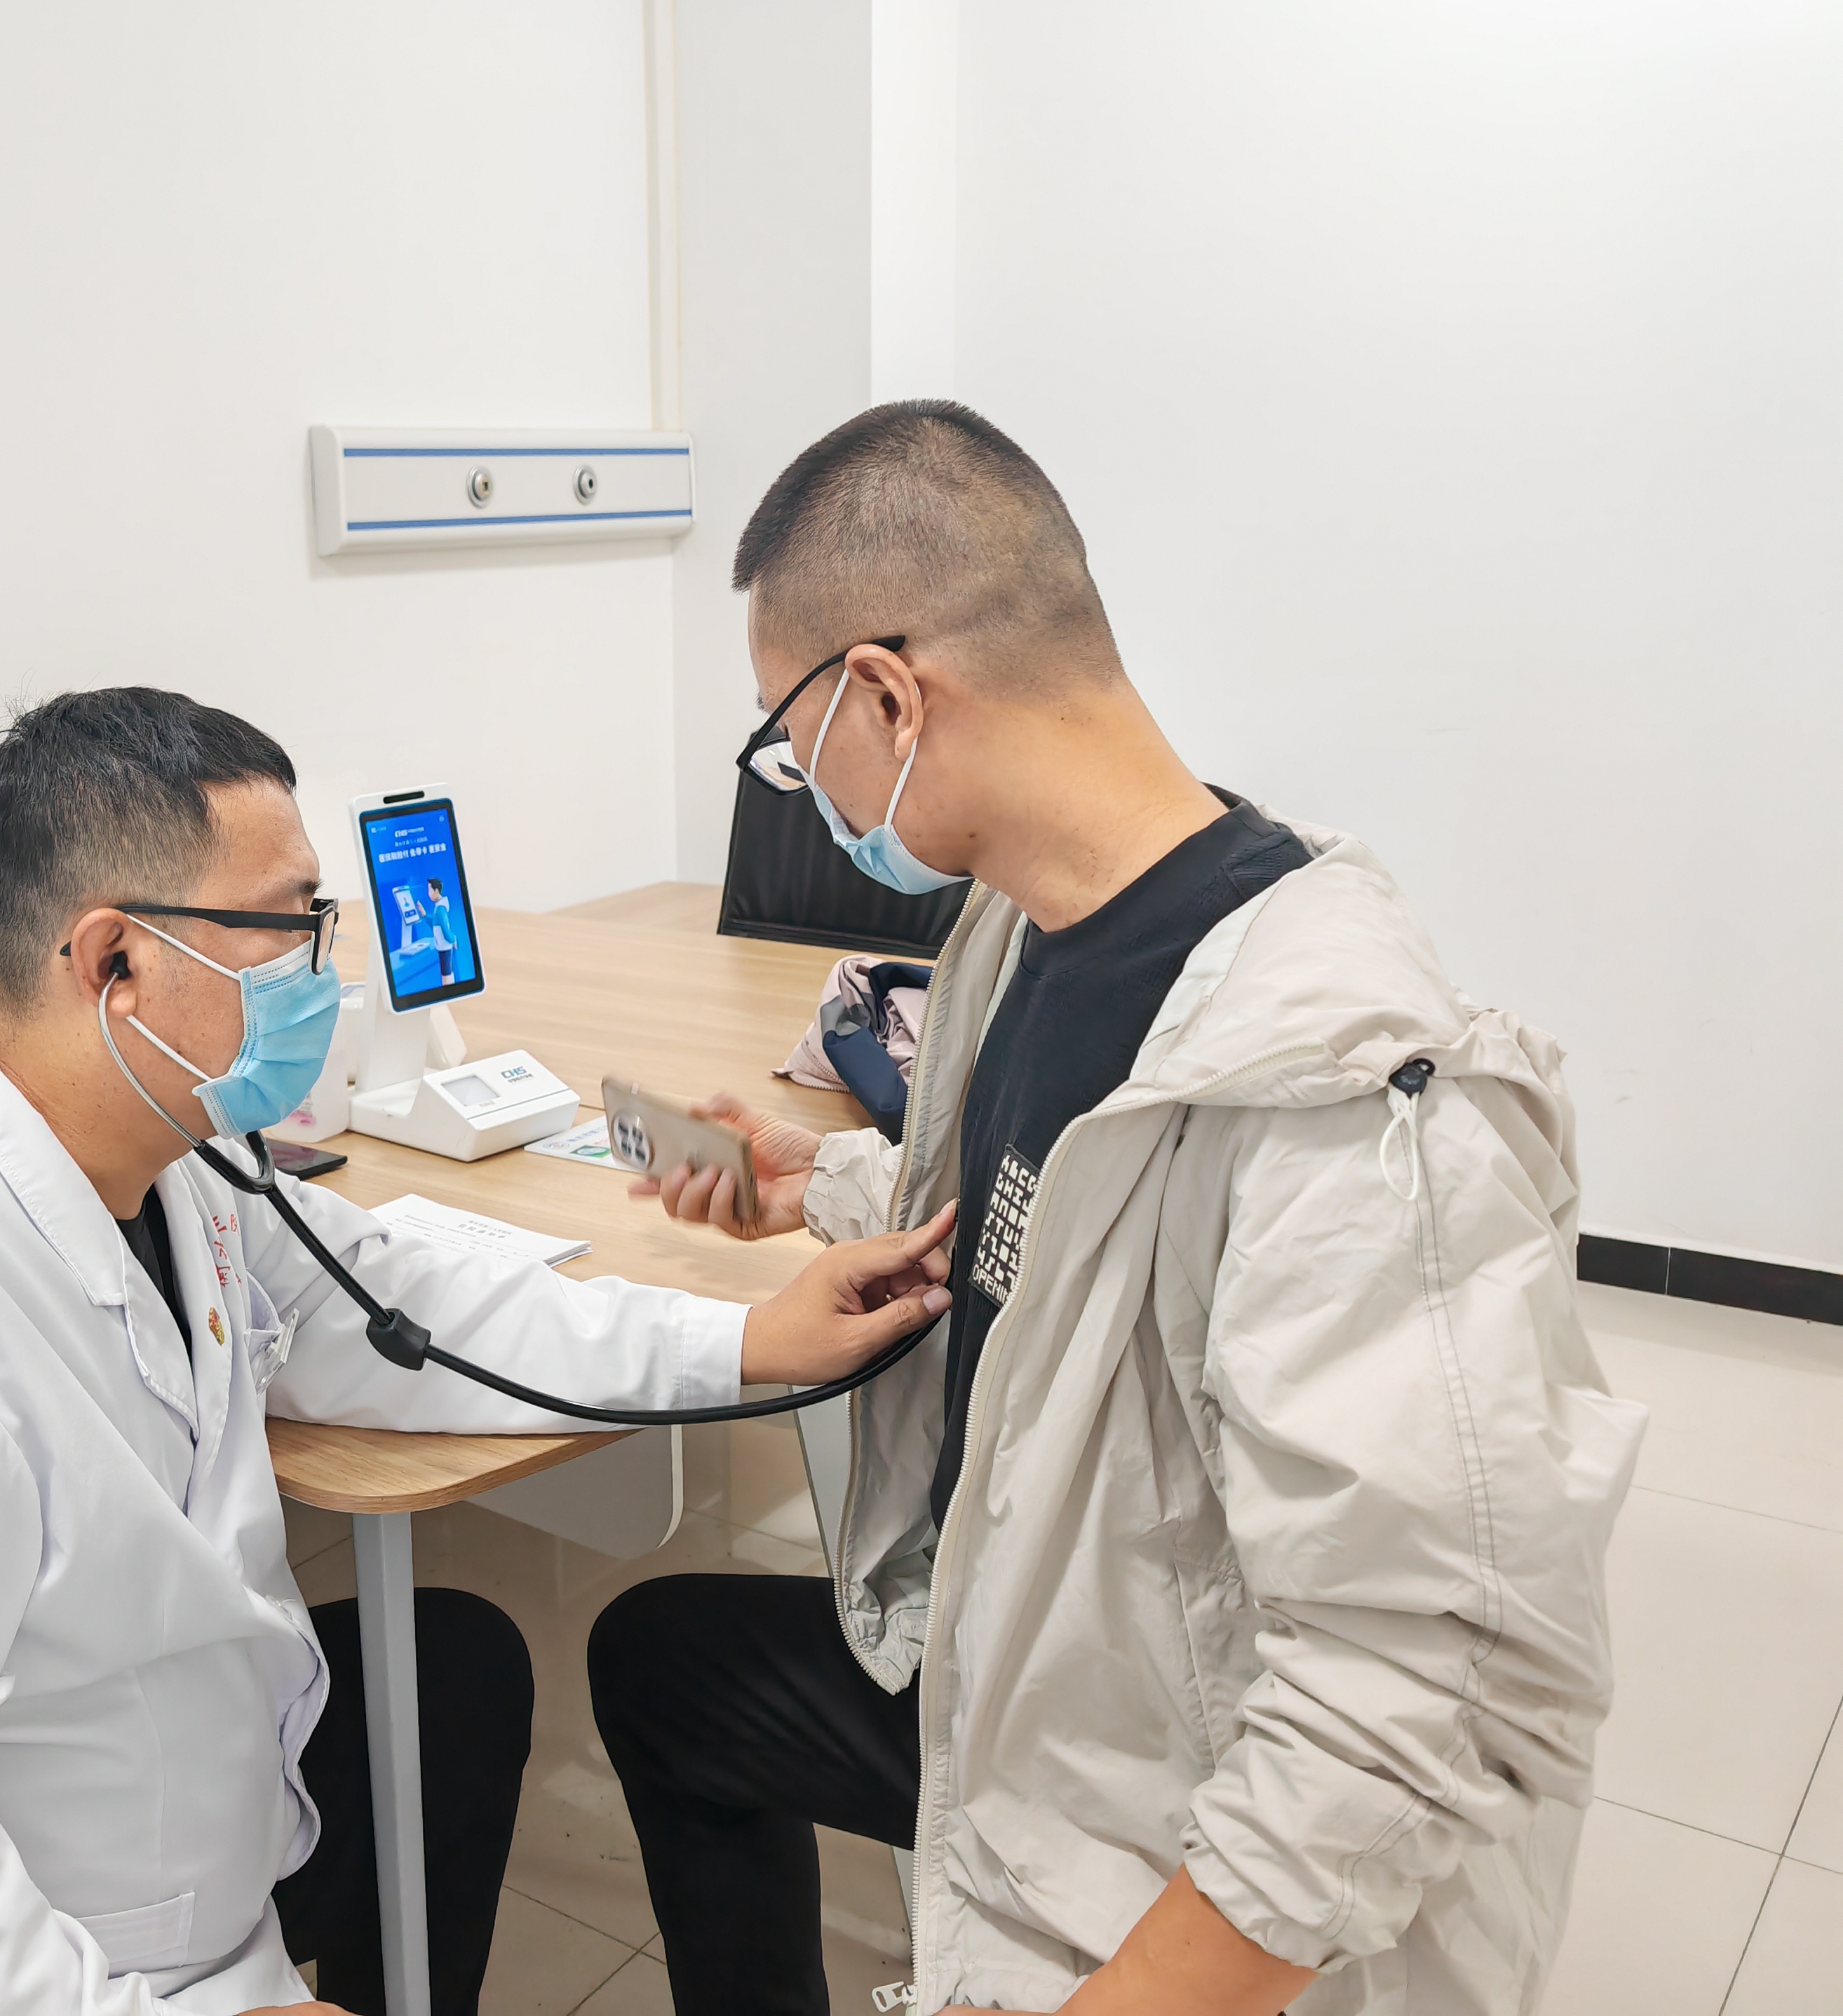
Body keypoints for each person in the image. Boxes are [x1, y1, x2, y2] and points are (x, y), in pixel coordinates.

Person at [0, 686, 953, 2016]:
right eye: (290, 928)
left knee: (451, 1673)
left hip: (153, 1860)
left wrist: (742, 1339)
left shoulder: (169, 1154)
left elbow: (397, 1303)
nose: (320, 972)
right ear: (114, 964)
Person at [590, 402, 1645, 2015]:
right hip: (1027, 1660)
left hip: (1158, 1787)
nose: (802, 790)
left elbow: (1428, 1696)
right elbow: (1051, 1226)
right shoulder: (1030, 929)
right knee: (668, 1673)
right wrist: (826, 1182)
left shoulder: (1344, 1097)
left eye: (790, 741)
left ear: (886, 694)